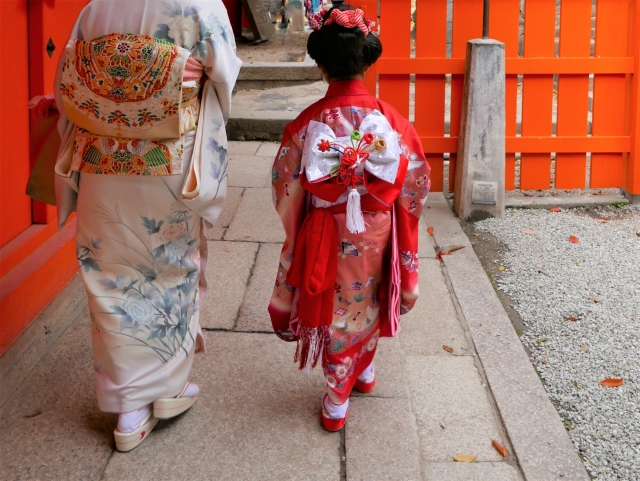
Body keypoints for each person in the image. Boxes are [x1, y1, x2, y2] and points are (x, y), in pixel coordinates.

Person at [53, 0, 241, 451]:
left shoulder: (95, 8)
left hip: (101, 159)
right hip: (167, 156)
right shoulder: (199, 6)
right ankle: (166, 388)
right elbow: (225, 74)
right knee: (169, 267)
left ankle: (127, 407)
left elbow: (69, 78)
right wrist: (173, 73)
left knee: (108, 272)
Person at [268, 5, 430, 431]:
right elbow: (414, 190)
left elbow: (284, 186)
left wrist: (300, 222)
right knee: (368, 300)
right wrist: (399, 224)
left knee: (339, 308)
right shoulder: (394, 123)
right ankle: (363, 369)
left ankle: (338, 396)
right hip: (377, 231)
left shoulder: (306, 125)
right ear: (367, 60)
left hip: (325, 230)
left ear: (321, 66)